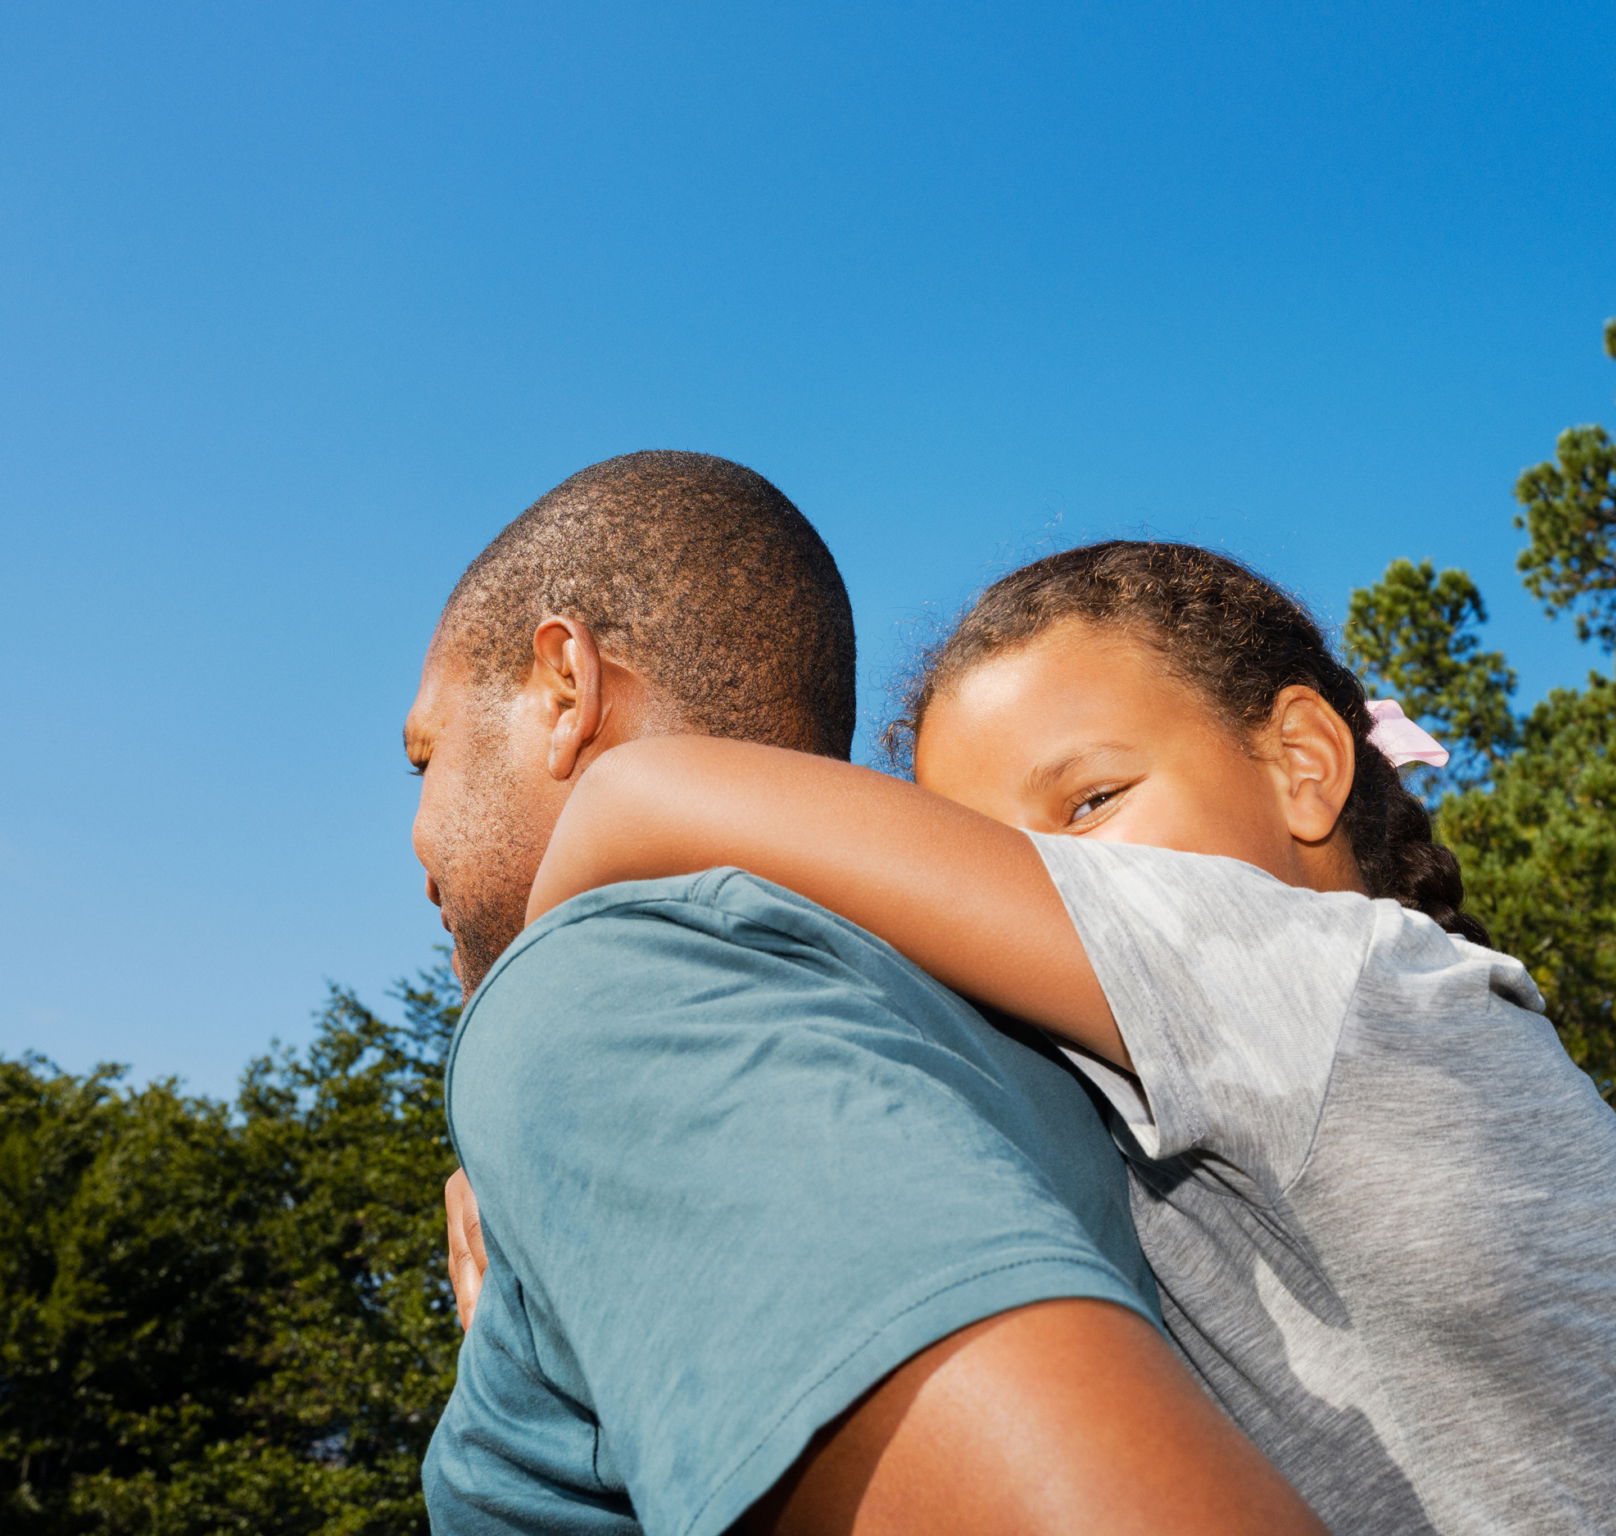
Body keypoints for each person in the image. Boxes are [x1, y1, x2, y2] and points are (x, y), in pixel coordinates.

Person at [506, 540, 1616, 1535]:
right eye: (980, 848)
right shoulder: (1170, 1107)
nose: (1015, 880)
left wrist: (530, 1057)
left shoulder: (1341, 981)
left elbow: (639, 791)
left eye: (1088, 802)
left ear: (1304, 767)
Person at [409, 455, 1324, 1536]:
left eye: (425, 759)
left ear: (564, 691)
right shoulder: (1016, 1041)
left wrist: (553, 1028)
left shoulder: (616, 995)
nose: (417, 840)